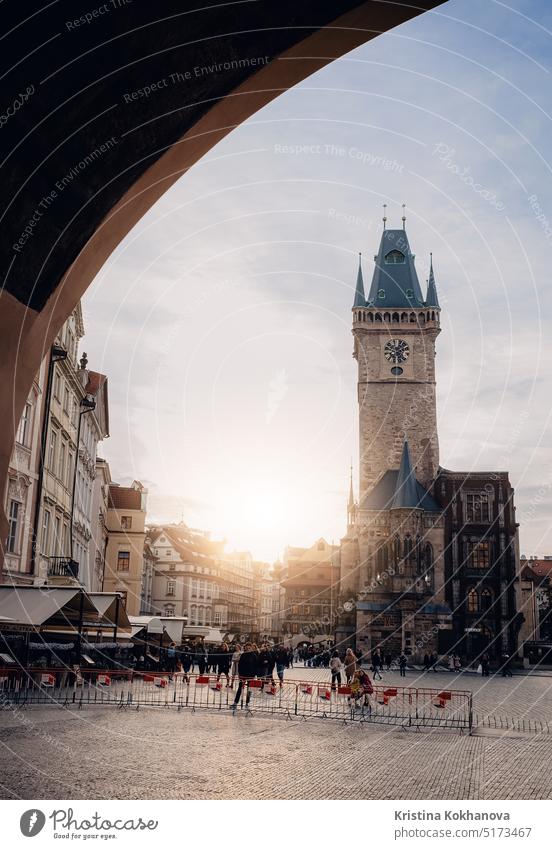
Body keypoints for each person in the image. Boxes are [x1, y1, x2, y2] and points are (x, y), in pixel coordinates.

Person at [232, 642, 259, 712]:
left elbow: (256, 666)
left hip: (250, 675)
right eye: (247, 647)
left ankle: (247, 703)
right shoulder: (243, 655)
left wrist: (254, 674)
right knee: (240, 688)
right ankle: (235, 703)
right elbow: (240, 665)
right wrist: (239, 673)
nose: (248, 648)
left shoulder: (254, 655)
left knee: (249, 690)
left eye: (249, 647)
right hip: (243, 675)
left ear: (251, 648)